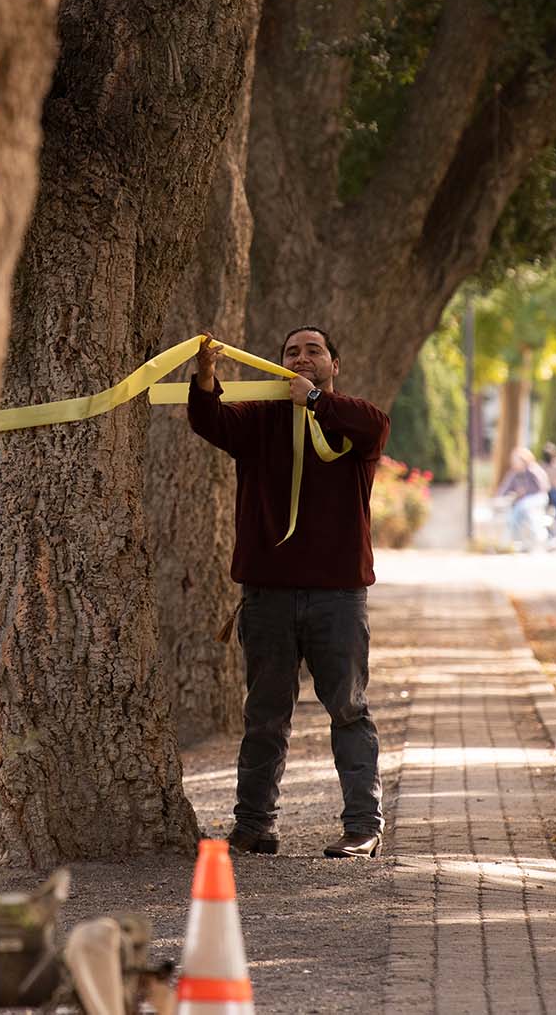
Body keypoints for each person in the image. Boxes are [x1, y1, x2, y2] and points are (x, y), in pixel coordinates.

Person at [188, 327, 391, 859]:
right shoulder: (260, 421)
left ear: (335, 364)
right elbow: (211, 421)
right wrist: (206, 379)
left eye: (314, 351)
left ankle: (363, 827)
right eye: (291, 352)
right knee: (265, 716)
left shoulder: (353, 420)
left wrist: (317, 402)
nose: (301, 358)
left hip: (338, 598)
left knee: (348, 710)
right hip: (268, 597)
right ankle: (255, 826)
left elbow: (374, 427)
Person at [496, 448, 553, 550]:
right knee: (516, 514)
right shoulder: (514, 474)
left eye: (516, 460)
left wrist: (525, 492)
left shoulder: (533, 470)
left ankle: (524, 540)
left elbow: (544, 486)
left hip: (538, 498)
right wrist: (499, 498)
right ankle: (519, 541)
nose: (514, 463)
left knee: (522, 508)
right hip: (523, 503)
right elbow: (504, 488)